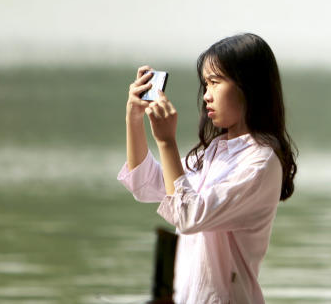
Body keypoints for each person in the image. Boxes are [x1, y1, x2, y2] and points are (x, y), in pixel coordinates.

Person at [118, 32, 297, 304]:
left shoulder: (260, 162)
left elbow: (188, 215)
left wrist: (166, 142)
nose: (206, 96)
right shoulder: (214, 151)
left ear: (248, 86)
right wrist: (134, 117)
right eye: (205, 84)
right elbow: (147, 184)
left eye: (215, 82)